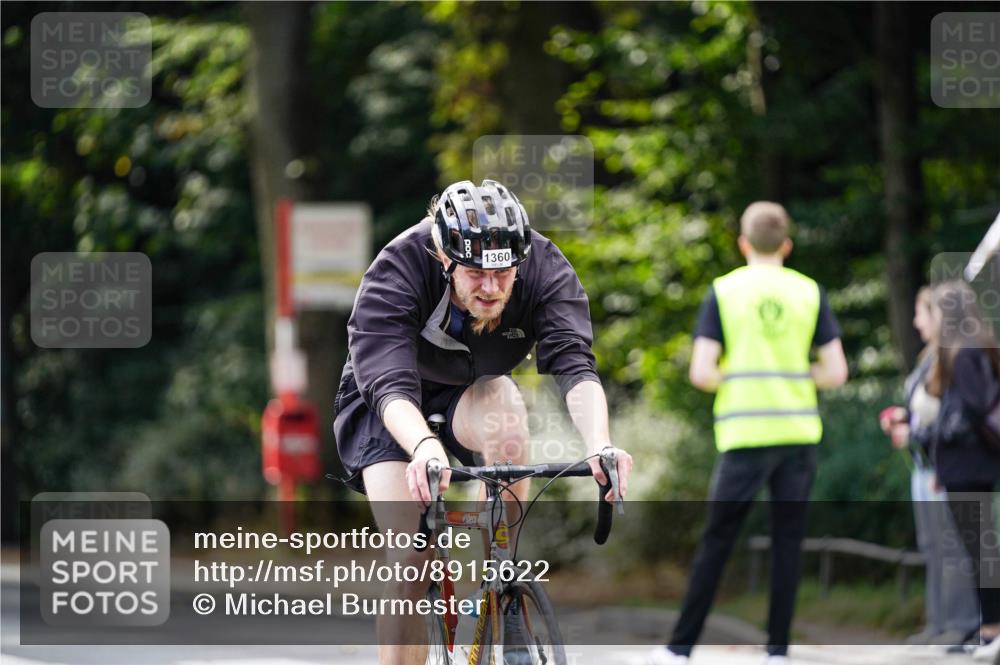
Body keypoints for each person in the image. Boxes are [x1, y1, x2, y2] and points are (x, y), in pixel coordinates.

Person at [333, 179, 633, 665]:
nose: (492, 288)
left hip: (472, 391)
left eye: (503, 274)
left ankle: (496, 580)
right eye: (475, 274)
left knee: (507, 414)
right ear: (443, 256)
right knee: (411, 556)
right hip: (387, 406)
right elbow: (388, 385)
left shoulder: (543, 267)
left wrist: (601, 443)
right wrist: (425, 447)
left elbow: (575, 365)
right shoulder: (398, 266)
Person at [649, 201, 848, 665]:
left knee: (717, 540)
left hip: (744, 435)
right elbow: (836, 371)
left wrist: (737, 378)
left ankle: (681, 648)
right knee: (788, 542)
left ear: (742, 243)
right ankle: (777, 649)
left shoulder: (724, 291)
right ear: (786, 245)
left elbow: (701, 371)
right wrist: (797, 377)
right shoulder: (809, 292)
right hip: (798, 434)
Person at [880, 286, 979, 647]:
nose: (917, 321)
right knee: (933, 545)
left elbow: (956, 415)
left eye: (924, 313)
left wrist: (920, 434)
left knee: (955, 546)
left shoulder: (958, 357)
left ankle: (962, 623)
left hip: (944, 463)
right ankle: (939, 622)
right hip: (925, 464)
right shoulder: (929, 357)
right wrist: (905, 421)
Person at [919, 281, 1000, 661]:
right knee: (978, 549)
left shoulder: (966, 354)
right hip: (963, 464)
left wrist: (938, 433)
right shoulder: (961, 353)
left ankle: (993, 630)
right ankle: (988, 629)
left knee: (982, 550)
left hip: (970, 464)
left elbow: (972, 407)